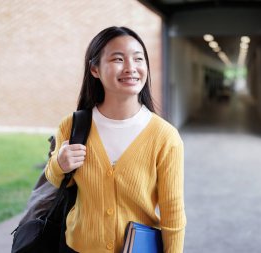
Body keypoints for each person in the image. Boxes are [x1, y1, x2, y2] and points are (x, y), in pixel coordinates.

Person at [45, 26, 186, 253]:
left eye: (138, 59)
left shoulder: (165, 137)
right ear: (95, 69)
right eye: (118, 59)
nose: (131, 68)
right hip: (76, 247)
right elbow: (56, 180)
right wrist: (59, 164)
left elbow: (173, 214)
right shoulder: (72, 126)